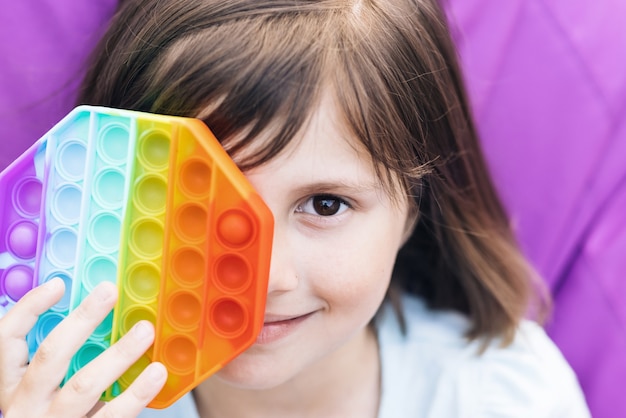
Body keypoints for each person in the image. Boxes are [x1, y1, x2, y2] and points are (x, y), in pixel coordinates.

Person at [0, 0, 591, 416]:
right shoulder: (47, 392)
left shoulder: (507, 399)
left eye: (325, 204)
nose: (266, 277)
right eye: (203, 200)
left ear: (414, 204)